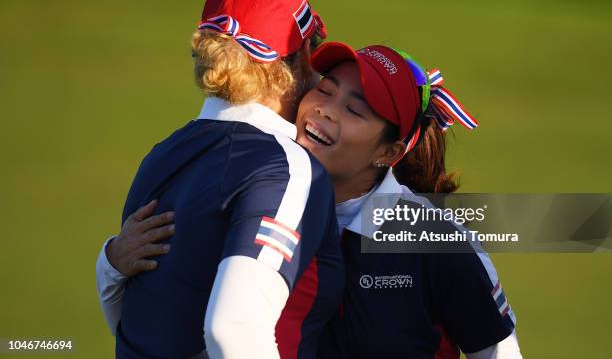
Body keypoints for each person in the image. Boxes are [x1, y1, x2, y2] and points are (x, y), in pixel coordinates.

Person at [100, 41, 523, 358]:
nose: (326, 110)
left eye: (355, 110)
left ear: (389, 153)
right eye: (326, 89)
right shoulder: (252, 188)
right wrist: (114, 263)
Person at [96, 0, 345, 359]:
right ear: (294, 61)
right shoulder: (288, 167)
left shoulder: (160, 155)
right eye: (313, 48)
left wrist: (106, 265)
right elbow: (233, 330)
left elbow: (134, 322)